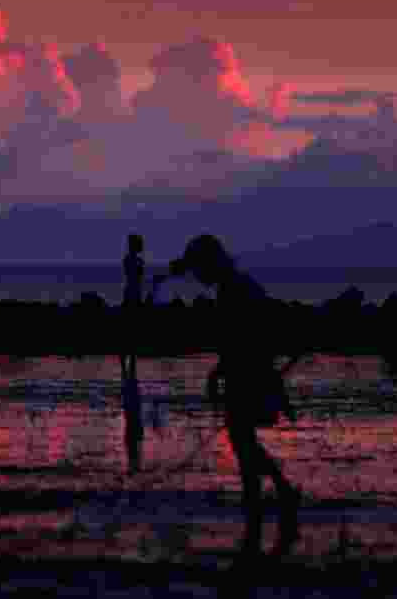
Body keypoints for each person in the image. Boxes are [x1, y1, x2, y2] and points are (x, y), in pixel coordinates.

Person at [167, 235, 303, 559]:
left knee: (242, 440)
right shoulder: (237, 286)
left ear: (210, 264)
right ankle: (276, 495)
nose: (197, 279)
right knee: (243, 440)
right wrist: (220, 372)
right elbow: (238, 338)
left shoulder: (234, 290)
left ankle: (262, 504)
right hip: (249, 370)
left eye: (198, 270)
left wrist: (222, 373)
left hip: (250, 372)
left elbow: (241, 338)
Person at [119, 234, 146, 472]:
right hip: (133, 294)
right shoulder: (132, 261)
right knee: (131, 329)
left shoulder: (130, 260)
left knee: (131, 329)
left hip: (133, 293)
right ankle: (128, 361)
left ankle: (128, 362)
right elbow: (137, 277)